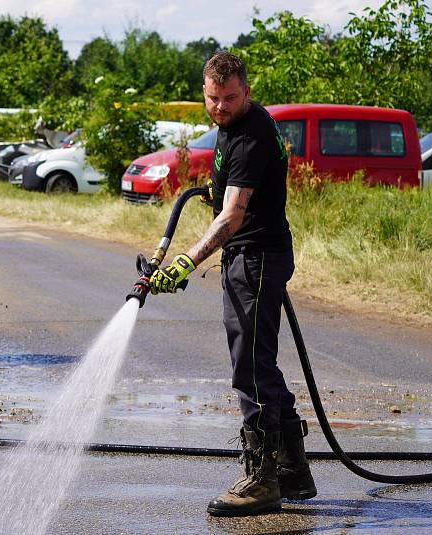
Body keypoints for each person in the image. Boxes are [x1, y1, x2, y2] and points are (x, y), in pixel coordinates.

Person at [147, 51, 316, 517]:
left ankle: (262, 480)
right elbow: (236, 193)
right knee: (261, 362)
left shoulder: (250, 135)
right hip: (257, 256)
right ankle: (292, 472)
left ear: (247, 91)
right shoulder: (237, 124)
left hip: (257, 260)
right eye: (212, 98)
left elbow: (233, 216)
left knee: (251, 371)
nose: (219, 107)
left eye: (229, 98)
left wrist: (185, 262)